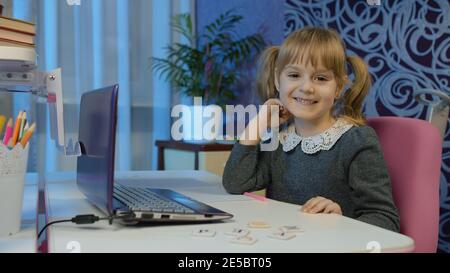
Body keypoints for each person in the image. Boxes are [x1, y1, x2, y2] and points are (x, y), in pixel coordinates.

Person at [222, 27, 400, 232]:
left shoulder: (356, 140)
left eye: (321, 78)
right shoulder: (280, 140)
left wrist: (340, 217)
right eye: (295, 75)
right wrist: (259, 123)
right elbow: (235, 183)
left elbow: (386, 220)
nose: (307, 87)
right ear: (278, 79)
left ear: (339, 87)